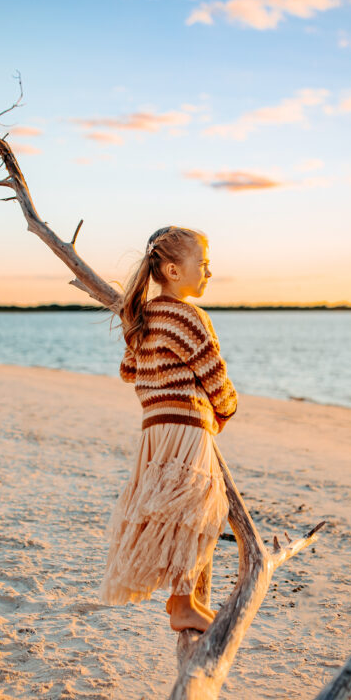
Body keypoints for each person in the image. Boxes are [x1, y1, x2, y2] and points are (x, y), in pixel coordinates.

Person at [98, 225, 238, 633]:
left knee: (170, 510)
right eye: (204, 265)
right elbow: (216, 379)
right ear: (174, 271)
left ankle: (185, 602)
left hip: (154, 430)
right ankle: (182, 603)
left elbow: (129, 370)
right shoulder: (190, 317)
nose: (209, 273)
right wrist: (228, 410)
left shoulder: (142, 315)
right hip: (187, 425)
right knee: (197, 511)